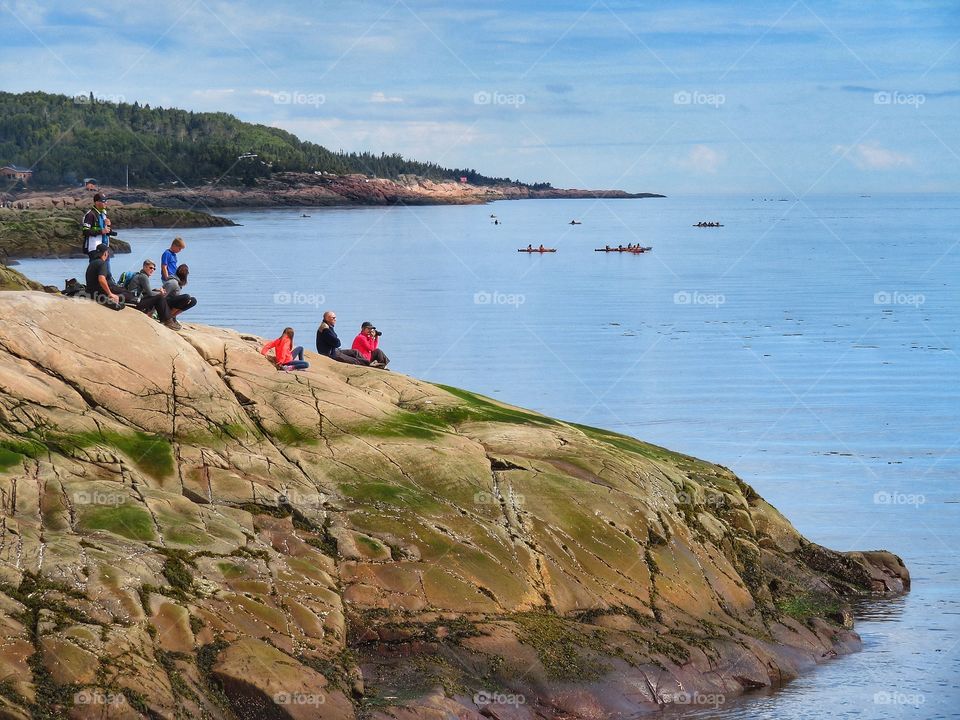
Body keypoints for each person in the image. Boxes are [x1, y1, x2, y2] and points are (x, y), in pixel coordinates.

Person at [124, 258, 177, 329]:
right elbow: (150, 293)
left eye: (154, 269)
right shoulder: (143, 277)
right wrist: (160, 293)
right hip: (134, 302)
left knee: (158, 296)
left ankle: (164, 319)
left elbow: (146, 291)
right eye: (151, 268)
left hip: (133, 299)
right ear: (144, 267)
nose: (152, 270)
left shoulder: (140, 275)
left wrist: (157, 290)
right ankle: (167, 321)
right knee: (159, 297)